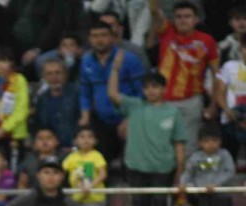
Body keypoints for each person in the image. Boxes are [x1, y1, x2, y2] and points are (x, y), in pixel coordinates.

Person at [108, 49, 187, 206]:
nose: (151, 91)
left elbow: (179, 142)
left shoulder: (173, 112)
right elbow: (112, 94)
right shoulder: (134, 106)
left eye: (155, 87)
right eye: (147, 87)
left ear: (164, 89)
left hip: (163, 168)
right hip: (136, 167)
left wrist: (180, 168)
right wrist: (115, 69)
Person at [150, 0, 219, 156]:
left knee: (190, 146)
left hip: (192, 101)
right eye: (179, 16)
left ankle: (186, 173)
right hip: (164, 100)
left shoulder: (207, 41)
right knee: (163, 144)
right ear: (173, 19)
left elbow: (216, 75)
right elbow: (154, 12)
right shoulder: (167, 31)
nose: (183, 20)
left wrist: (213, 105)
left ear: (196, 19)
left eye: (187, 16)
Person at [79, 21, 145, 164]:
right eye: (95, 36)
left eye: (104, 35)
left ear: (113, 37)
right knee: (98, 160)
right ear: (89, 39)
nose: (99, 40)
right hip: (101, 120)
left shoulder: (129, 59)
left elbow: (142, 93)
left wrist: (131, 119)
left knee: (130, 162)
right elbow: (85, 92)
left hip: (127, 119)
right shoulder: (86, 60)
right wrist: (85, 117)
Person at [178, 126, 236, 206]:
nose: (211, 144)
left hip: (223, 197)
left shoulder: (225, 155)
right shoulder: (196, 157)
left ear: (220, 142)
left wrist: (216, 184)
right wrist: (182, 183)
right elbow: (188, 173)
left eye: (214, 141)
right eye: (206, 141)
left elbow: (229, 172)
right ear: (200, 143)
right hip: (204, 197)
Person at [62, 127, 108, 206]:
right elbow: (61, 173)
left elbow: (102, 174)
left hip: (94, 199)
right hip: (76, 199)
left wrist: (90, 186)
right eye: (82, 137)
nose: (86, 139)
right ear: (75, 141)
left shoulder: (96, 155)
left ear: (95, 141)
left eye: (90, 137)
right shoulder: (71, 157)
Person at [214, 33, 246, 162]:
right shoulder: (229, 66)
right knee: (228, 159)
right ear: (240, 48)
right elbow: (219, 93)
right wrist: (229, 112)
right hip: (230, 120)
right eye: (245, 47)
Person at [35, 59, 80, 148]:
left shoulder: (78, 94)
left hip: (75, 146)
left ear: (66, 74)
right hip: (52, 148)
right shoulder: (42, 99)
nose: (54, 77)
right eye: (49, 74)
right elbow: (41, 125)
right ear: (44, 77)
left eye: (58, 73)